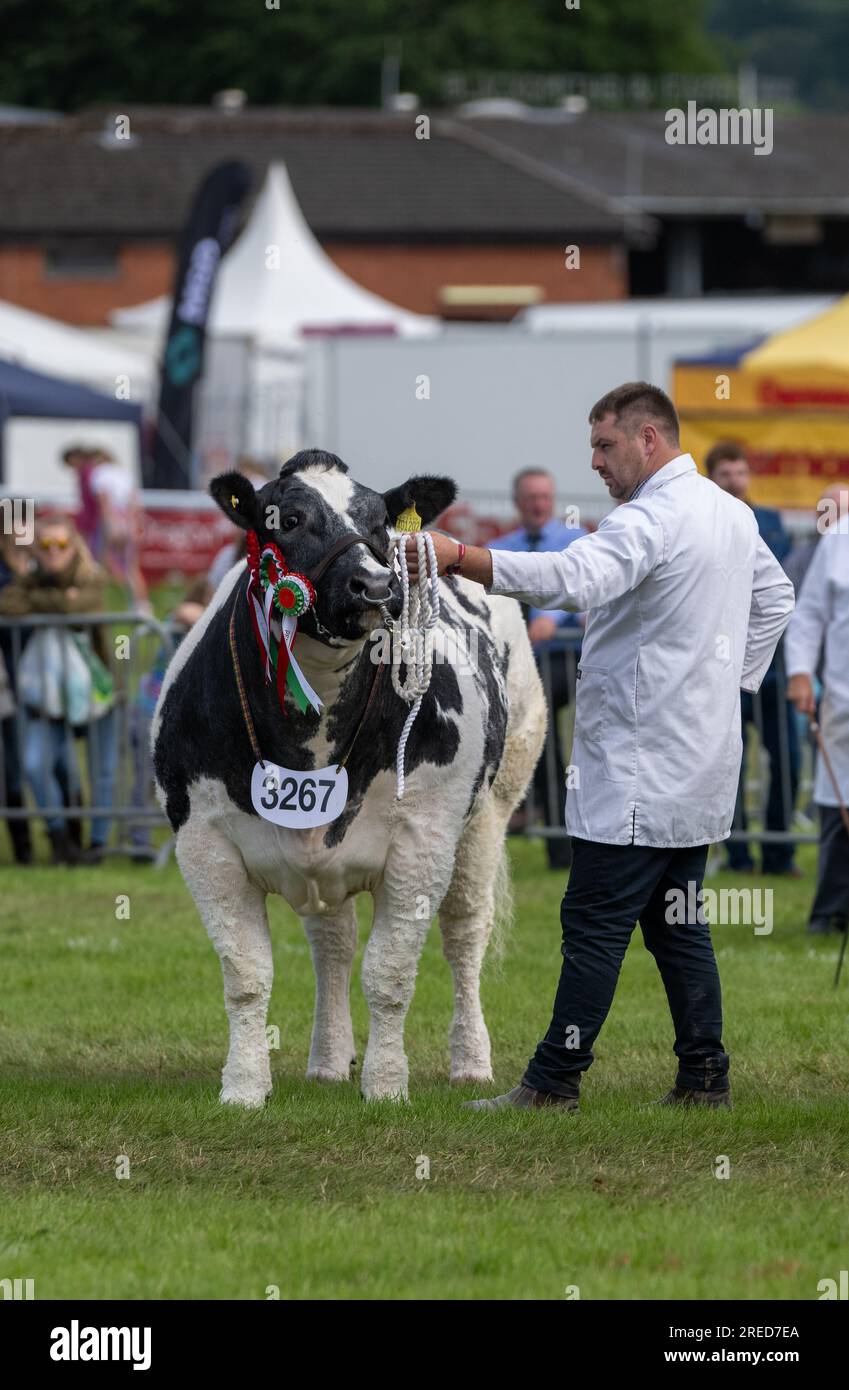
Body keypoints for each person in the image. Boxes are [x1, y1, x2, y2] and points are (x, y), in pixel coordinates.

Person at [403, 382, 794, 1112]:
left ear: (649, 439)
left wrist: (459, 556)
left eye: (604, 445)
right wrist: (729, 685)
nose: (595, 463)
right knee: (678, 926)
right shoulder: (729, 514)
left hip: (640, 770)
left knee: (592, 926)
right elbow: (774, 601)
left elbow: (571, 579)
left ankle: (554, 1080)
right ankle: (703, 1076)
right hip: (696, 763)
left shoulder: (650, 518)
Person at [705, 441, 800, 876]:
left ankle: (780, 854)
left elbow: (778, 585)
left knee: (789, 758)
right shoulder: (704, 520)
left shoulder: (771, 522)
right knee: (730, 761)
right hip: (720, 660)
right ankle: (738, 855)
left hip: (772, 663)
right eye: (726, 474)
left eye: (741, 473)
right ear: (712, 478)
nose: (735, 481)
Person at [0, 516, 117, 865]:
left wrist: (48, 601)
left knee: (103, 771)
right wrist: (58, 598)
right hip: (48, 696)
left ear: (74, 546)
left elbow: (78, 607)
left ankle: (96, 846)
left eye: (61, 545)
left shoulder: (92, 577)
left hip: (97, 692)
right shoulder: (28, 580)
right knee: (36, 764)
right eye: (46, 545)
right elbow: (8, 604)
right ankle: (60, 839)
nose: (53, 553)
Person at [488, 468, 585, 871]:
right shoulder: (499, 548)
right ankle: (547, 831)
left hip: (563, 658)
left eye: (545, 496)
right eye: (531, 497)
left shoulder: (575, 542)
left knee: (537, 723)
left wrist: (554, 620)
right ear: (518, 502)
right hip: (515, 664)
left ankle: (543, 824)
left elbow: (583, 586)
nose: (539, 504)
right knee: (536, 735)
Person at [785, 511, 849, 936]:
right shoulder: (839, 537)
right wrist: (801, 672)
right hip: (844, 699)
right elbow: (808, 613)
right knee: (838, 802)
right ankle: (831, 913)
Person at [0, 521, 34, 864]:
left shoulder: (37, 567)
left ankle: (41, 844)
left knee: (27, 762)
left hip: (33, 685)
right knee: (11, 765)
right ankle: (21, 846)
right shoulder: (9, 573)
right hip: (6, 685)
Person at [88, 450, 149, 609]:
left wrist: (111, 524)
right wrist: (134, 525)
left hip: (113, 521)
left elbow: (104, 501)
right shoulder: (125, 474)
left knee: (100, 564)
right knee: (132, 569)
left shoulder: (99, 474)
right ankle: (141, 605)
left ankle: (96, 603)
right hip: (128, 521)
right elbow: (134, 501)